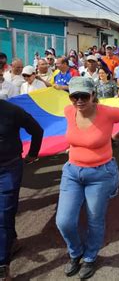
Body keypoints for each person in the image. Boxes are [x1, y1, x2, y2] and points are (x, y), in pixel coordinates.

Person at [55, 77, 119, 279]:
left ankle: (90, 258)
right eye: (74, 96)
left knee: (95, 220)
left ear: (93, 95)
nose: (79, 101)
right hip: (72, 173)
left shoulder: (107, 112)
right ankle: (76, 253)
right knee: (64, 221)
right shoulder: (69, 111)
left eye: (84, 96)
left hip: (101, 174)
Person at [0, 99, 43, 281]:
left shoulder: (12, 110)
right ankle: (11, 241)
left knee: (3, 215)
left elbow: (36, 130)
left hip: (9, 169)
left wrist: (33, 154)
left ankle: (2, 265)